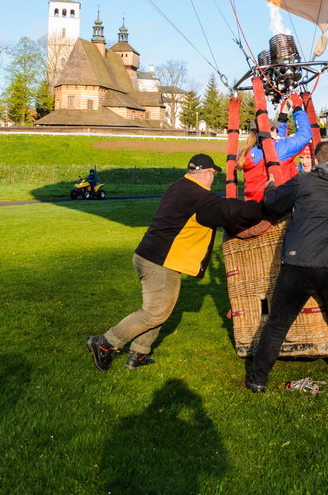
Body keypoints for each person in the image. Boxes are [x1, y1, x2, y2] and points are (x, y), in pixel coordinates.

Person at [87, 154, 263, 371]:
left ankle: (139, 353)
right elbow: (231, 210)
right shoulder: (200, 196)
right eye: (213, 175)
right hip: (162, 262)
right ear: (208, 173)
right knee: (154, 312)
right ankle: (105, 343)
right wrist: (265, 206)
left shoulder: (178, 186)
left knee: (159, 308)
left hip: (147, 255)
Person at [246, 140, 328, 393]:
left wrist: (271, 185)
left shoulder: (304, 181)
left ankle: (258, 380)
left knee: (278, 323)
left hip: (301, 262)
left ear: (317, 160)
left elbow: (273, 202)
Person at [236, 100, 312, 201]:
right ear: (269, 131)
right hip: (276, 207)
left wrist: (283, 114)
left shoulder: (247, 151)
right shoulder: (278, 149)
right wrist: (297, 108)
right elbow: (305, 135)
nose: (277, 130)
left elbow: (277, 141)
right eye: (274, 128)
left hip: (253, 206)